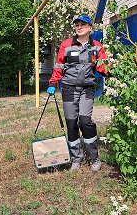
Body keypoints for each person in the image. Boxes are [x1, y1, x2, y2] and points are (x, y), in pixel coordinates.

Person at [46, 14, 109, 171]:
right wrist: (53, 82)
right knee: (71, 123)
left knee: (85, 121)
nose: (79, 27)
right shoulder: (66, 45)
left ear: (90, 28)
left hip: (87, 89)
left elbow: (103, 66)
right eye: (77, 25)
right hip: (68, 88)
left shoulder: (97, 47)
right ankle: (76, 158)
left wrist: (114, 72)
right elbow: (59, 65)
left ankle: (93, 157)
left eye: (83, 24)